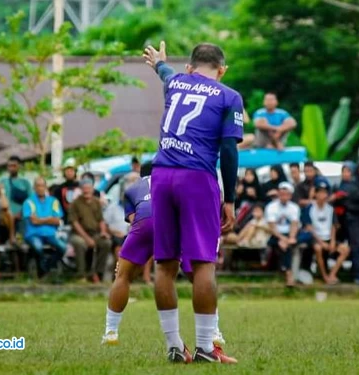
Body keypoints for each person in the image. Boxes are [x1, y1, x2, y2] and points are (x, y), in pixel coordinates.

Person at [143, 41, 240, 363]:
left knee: (165, 264)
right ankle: (205, 347)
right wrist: (231, 198)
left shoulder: (175, 82)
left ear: (190, 67)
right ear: (222, 71)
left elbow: (166, 74)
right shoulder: (229, 96)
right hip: (196, 178)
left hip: (160, 176)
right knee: (203, 264)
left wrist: (159, 63)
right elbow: (228, 150)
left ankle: (174, 345)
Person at [101, 165, 227, 348]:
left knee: (122, 276)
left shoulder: (131, 188)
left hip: (143, 223)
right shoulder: (174, 180)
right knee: (199, 276)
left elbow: (134, 219)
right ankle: (214, 331)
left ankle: (110, 332)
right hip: (174, 225)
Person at [302, 180, 349, 284]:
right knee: (318, 249)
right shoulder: (310, 208)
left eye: (324, 193)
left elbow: (333, 226)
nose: (322, 195)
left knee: (345, 250)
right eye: (320, 192)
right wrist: (321, 242)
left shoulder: (330, 209)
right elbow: (309, 228)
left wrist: (332, 241)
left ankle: (332, 274)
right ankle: (325, 276)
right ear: (315, 194)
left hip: (328, 237)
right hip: (316, 238)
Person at [68, 177, 112, 284]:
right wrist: (87, 239)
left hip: (94, 233)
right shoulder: (75, 203)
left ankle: (97, 273)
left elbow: (100, 220)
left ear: (92, 189)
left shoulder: (97, 202)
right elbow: (75, 223)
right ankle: (81, 274)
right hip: (78, 234)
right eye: (84, 188)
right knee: (80, 243)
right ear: (81, 189)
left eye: (89, 188)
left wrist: (103, 232)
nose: (86, 190)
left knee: (106, 243)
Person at [23, 177, 66, 276]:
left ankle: (47, 266)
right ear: (34, 187)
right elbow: (34, 221)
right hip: (33, 233)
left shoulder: (53, 201)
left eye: (42, 185)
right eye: (38, 186)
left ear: (46, 187)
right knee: (38, 248)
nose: (40, 188)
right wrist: (49, 219)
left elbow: (57, 220)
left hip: (50, 233)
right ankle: (44, 271)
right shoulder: (29, 202)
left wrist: (40, 220)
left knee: (63, 247)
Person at [265, 182, 300, 287]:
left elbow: (294, 224)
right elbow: (272, 227)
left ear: (290, 195)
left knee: (287, 246)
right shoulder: (271, 207)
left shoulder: (294, 207)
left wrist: (291, 238)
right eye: (282, 194)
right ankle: (289, 274)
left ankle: (287, 271)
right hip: (275, 234)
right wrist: (282, 239)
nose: (284, 196)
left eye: (286, 194)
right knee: (285, 246)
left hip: (289, 234)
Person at [0, 156, 31, 237]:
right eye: (9, 166)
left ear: (19, 166)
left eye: (14, 166)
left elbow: (30, 201)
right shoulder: (2, 181)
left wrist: (21, 213)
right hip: (6, 218)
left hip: (22, 217)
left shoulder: (25, 182)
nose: (11, 168)